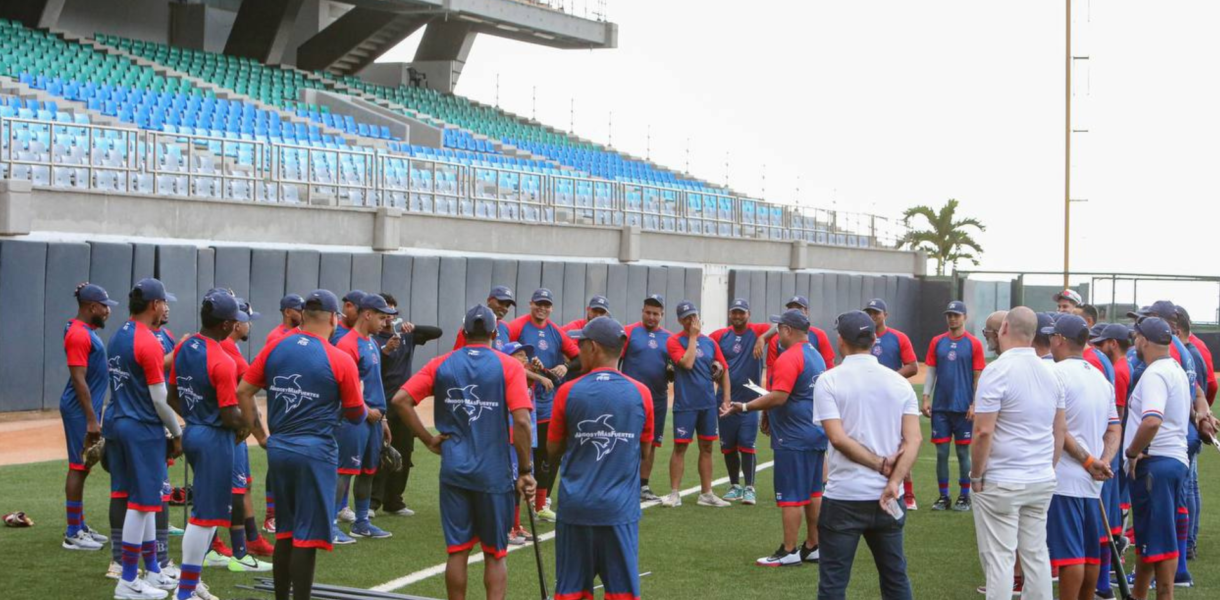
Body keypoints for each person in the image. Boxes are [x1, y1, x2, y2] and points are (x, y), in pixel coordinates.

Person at [392, 304, 535, 600]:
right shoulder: (509, 366)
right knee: (495, 554)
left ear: (464, 332)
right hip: (494, 474)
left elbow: (400, 400)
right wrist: (525, 470)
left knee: (457, 550)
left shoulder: (442, 363)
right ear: (495, 332)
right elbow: (522, 421)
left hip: (454, 469)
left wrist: (429, 440)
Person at [236, 289, 367, 600]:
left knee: (285, 531)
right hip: (316, 453)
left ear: (304, 316)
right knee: (306, 537)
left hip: (280, 449)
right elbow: (356, 415)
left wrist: (262, 435)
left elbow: (243, 391)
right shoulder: (340, 358)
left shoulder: (275, 347)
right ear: (335, 318)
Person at [810, 310, 921, 598]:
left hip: (845, 496)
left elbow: (836, 437)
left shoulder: (829, 380)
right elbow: (914, 439)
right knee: (895, 578)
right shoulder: (899, 382)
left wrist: (879, 465)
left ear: (840, 341)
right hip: (887, 497)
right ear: (874, 339)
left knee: (833, 583)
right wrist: (894, 481)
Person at [549, 317, 653, 600]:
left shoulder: (568, 391)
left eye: (580, 345)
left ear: (593, 347)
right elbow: (645, 452)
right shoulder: (641, 393)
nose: (577, 351)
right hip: (619, 511)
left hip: (576, 509)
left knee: (572, 592)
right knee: (621, 594)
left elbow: (553, 449)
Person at [969, 307, 1066, 600]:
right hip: (1040, 478)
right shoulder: (1051, 373)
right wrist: (1046, 468)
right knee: (1036, 554)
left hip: (1003, 479)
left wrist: (976, 475)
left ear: (1005, 328)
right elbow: (1058, 430)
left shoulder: (997, 370)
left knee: (1000, 558)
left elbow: (983, 431)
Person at [721, 308, 827, 564]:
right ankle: (814, 546)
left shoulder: (789, 357)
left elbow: (779, 396)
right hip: (814, 433)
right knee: (814, 492)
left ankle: (789, 551)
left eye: (779, 327)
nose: (776, 332)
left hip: (793, 436)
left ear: (788, 330)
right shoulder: (815, 355)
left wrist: (745, 406)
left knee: (790, 495)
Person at [168, 293, 249, 600]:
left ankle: (191, 582)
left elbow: (172, 396)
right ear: (227, 324)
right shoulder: (222, 360)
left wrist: (196, 415)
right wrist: (247, 424)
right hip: (214, 438)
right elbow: (229, 414)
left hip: (194, 432)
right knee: (205, 516)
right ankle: (185, 592)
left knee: (207, 512)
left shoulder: (186, 346)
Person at [108, 278, 183, 600]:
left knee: (146, 502)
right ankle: (127, 580)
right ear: (154, 305)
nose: (166, 308)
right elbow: (159, 399)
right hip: (142, 429)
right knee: (141, 505)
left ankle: (152, 569)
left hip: (120, 423)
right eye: (164, 302)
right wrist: (178, 432)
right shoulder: (148, 342)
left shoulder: (119, 335)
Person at [1043, 315, 1121, 600]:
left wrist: (1090, 461)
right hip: (1094, 480)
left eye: (1053, 336)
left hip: (1066, 477)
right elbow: (1114, 427)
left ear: (1061, 339)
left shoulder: (1055, 373)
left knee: (1070, 556)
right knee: (1090, 553)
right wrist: (1104, 460)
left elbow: (1058, 429)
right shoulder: (1100, 377)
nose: (1050, 340)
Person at [1124, 317, 1192, 600]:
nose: (1135, 341)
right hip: (1172, 461)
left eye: (1136, 336)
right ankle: (1140, 595)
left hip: (1157, 464)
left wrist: (1132, 451)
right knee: (1152, 539)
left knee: (1160, 542)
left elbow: (1152, 420)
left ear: (1144, 340)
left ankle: (1165, 595)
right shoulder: (1173, 367)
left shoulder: (1155, 373)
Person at [212, 298, 274, 570]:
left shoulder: (228, 347)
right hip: (228, 427)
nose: (251, 325)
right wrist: (259, 434)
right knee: (231, 488)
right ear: (236, 324)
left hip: (233, 427)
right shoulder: (225, 348)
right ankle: (230, 549)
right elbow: (245, 393)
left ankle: (250, 539)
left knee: (243, 484)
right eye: (248, 320)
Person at [507, 288, 579, 521]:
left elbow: (578, 357)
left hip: (548, 403)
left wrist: (565, 367)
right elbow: (502, 355)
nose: (542, 308)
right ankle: (514, 511)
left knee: (547, 455)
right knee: (520, 454)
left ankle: (541, 504)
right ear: (530, 304)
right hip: (521, 401)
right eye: (539, 303)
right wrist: (530, 371)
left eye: (546, 305)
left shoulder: (556, 331)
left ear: (551, 308)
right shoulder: (517, 326)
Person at [332, 293, 399, 543]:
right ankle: (330, 523)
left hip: (373, 419)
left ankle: (362, 522)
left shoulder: (371, 343)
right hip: (353, 419)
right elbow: (342, 385)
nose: (385, 323)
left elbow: (373, 383)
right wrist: (363, 409)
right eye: (382, 317)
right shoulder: (347, 344)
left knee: (368, 470)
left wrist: (382, 419)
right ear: (367, 314)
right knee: (344, 470)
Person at [371, 293, 442, 517]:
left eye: (393, 313)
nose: (389, 318)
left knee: (404, 453)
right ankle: (372, 503)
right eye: (385, 313)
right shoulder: (372, 339)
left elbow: (436, 332)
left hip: (403, 405)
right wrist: (386, 351)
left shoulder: (406, 335)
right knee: (379, 454)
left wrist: (414, 326)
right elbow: (369, 370)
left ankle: (395, 501)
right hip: (380, 404)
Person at [60, 283, 118, 552]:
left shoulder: (85, 331)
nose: (107, 311)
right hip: (79, 411)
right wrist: (92, 420)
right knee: (78, 466)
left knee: (85, 465)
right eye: (104, 306)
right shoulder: (78, 335)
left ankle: (79, 525)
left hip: (86, 411)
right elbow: (78, 379)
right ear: (91, 307)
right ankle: (73, 532)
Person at [662, 300, 731, 508]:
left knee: (707, 447)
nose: (691, 320)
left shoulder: (710, 342)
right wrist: (692, 336)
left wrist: (726, 399)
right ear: (679, 320)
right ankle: (675, 493)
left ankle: (706, 493)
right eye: (686, 318)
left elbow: (724, 370)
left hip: (707, 404)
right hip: (685, 404)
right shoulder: (674, 341)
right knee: (680, 447)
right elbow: (687, 363)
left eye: (693, 316)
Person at [922, 300, 985, 511]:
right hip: (941, 407)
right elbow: (931, 370)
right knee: (941, 452)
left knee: (962, 453)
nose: (952, 318)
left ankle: (964, 496)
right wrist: (925, 397)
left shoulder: (974, 344)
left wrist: (975, 403)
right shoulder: (937, 342)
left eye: (956, 315)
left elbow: (978, 376)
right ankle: (943, 496)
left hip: (963, 408)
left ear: (965, 317)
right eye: (949, 314)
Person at [708, 298, 769, 505]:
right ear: (729, 314)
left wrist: (762, 339)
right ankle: (735, 485)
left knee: (747, 443)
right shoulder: (720, 335)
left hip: (750, 399)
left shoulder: (756, 331)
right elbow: (706, 346)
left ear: (748, 314)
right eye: (734, 312)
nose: (737, 316)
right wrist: (713, 365)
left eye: (741, 313)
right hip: (725, 398)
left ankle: (750, 488)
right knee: (728, 445)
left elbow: (779, 326)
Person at [1090, 323, 1134, 599]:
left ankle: (1103, 585)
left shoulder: (1117, 369)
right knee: (1111, 515)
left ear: (1113, 343)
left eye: (1101, 341)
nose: (1096, 346)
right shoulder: (1116, 364)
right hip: (1115, 449)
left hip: (1111, 448)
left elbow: (1113, 417)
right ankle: (1104, 582)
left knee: (1102, 518)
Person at [863, 298, 919, 510]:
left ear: (885, 315)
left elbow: (912, 366)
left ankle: (909, 494)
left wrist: (890, 378)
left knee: (900, 442)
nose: (872, 316)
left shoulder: (898, 337)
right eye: (869, 312)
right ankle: (872, 487)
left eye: (876, 312)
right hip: (867, 399)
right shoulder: (862, 338)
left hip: (891, 398)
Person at [621, 294, 672, 502]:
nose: (652, 317)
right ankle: (624, 483)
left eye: (656, 314)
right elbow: (616, 360)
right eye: (648, 312)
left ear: (662, 315)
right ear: (642, 311)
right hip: (630, 398)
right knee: (625, 439)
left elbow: (674, 366)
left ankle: (643, 485)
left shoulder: (669, 338)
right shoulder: (628, 332)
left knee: (650, 443)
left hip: (658, 399)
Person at [261, 293, 304, 535]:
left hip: (298, 403)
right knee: (278, 460)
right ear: (288, 312)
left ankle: (289, 512)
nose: (303, 313)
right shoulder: (276, 337)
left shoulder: (300, 335)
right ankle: (271, 515)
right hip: (282, 405)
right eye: (299, 309)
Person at [1175, 306, 1211, 560]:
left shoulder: (1188, 353)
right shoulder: (1191, 351)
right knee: (1191, 486)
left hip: (1188, 428)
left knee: (1188, 487)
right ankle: (1189, 542)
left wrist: (1201, 417)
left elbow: (1197, 391)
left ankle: (1188, 543)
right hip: (1192, 425)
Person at [499, 341, 539, 545]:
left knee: (519, 486)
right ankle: (505, 529)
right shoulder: (506, 376)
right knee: (509, 484)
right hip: (509, 437)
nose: (525, 359)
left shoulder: (525, 377)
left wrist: (537, 373)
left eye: (526, 355)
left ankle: (515, 525)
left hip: (523, 438)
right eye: (520, 355)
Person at [759, 295, 836, 371]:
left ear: (806, 311)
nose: (794, 311)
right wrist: (762, 337)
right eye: (790, 308)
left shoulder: (819, 335)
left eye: (799, 308)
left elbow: (829, 366)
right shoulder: (776, 338)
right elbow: (771, 369)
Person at [452, 285, 515, 352]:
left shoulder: (505, 327)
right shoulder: (472, 325)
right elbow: (457, 356)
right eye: (501, 302)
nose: (504, 308)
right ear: (489, 300)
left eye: (507, 305)